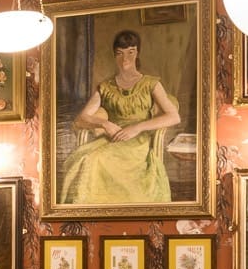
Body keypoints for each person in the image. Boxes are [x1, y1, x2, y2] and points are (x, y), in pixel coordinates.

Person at [59, 29, 181, 206]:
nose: (125, 59)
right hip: (114, 137)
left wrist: (138, 127)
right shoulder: (106, 86)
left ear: (137, 52)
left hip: (138, 140)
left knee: (97, 160)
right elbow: (81, 118)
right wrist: (105, 123)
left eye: (130, 52)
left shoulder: (150, 83)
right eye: (120, 53)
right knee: (86, 160)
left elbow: (173, 116)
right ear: (114, 55)